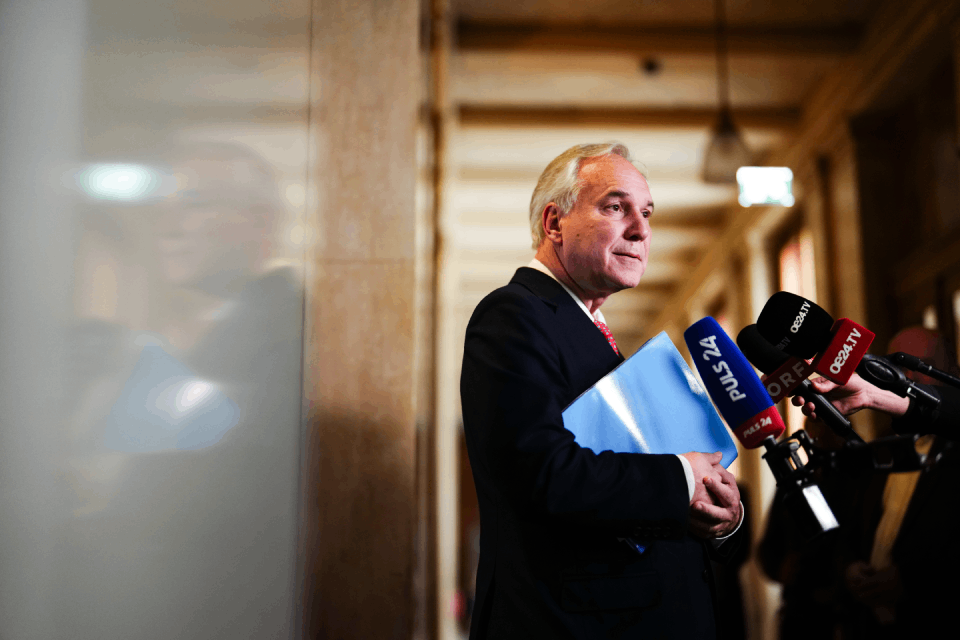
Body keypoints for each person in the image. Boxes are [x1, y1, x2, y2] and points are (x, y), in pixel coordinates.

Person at [460, 143, 743, 640]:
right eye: (616, 207)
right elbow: (541, 472)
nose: (641, 230)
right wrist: (683, 476)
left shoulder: (590, 331)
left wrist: (713, 514)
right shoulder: (513, 314)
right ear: (555, 223)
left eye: (647, 213)